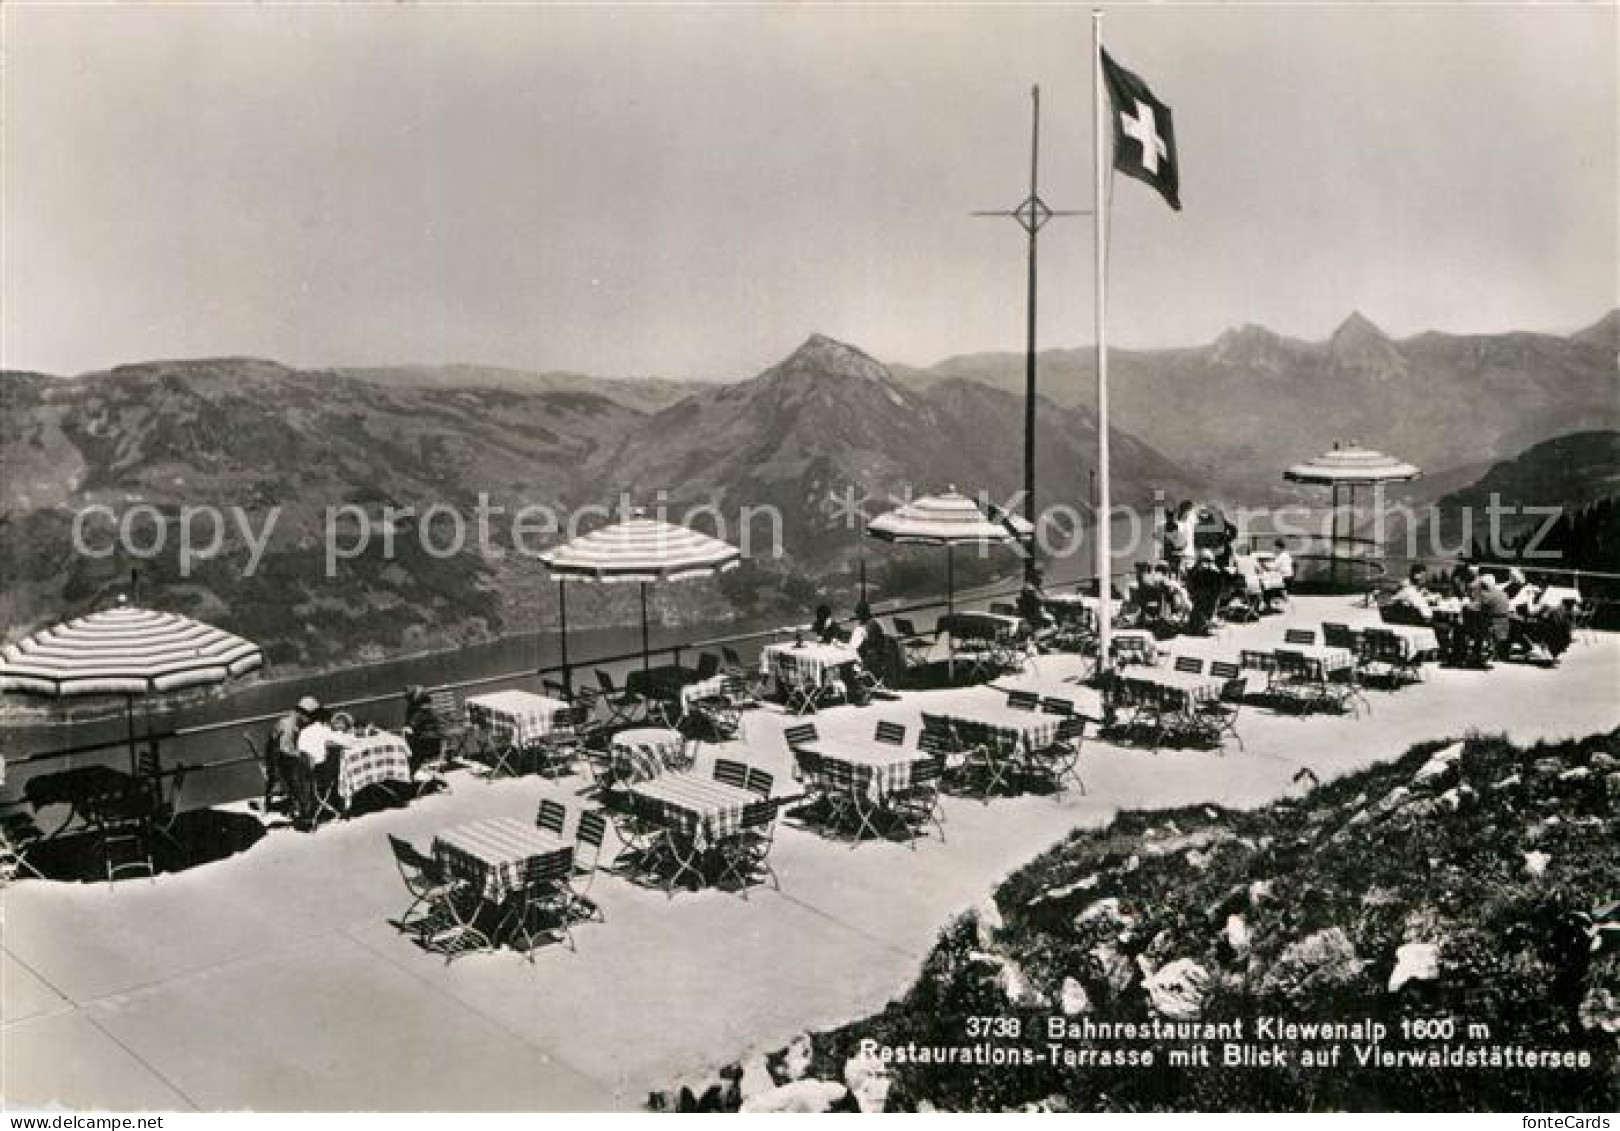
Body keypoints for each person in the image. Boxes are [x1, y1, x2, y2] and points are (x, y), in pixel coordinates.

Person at [267, 696, 319, 823]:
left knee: (306, 765)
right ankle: (305, 811)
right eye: (311, 716)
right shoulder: (288, 724)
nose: (311, 720)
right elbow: (285, 749)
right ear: (303, 713)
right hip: (280, 763)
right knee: (304, 769)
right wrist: (304, 755)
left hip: (283, 759)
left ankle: (308, 804)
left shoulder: (295, 721)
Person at [401, 685, 442, 772]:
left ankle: (413, 767)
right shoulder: (429, 712)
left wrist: (407, 729)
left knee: (409, 739)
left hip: (424, 742)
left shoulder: (419, 714)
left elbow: (411, 726)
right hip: (434, 741)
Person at [1186, 549, 1226, 634]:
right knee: (1208, 606)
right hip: (1207, 597)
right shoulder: (1214, 570)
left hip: (1198, 597)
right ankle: (1205, 623)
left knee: (1200, 608)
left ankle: (1202, 623)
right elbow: (1219, 585)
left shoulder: (1195, 569)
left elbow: (1190, 583)